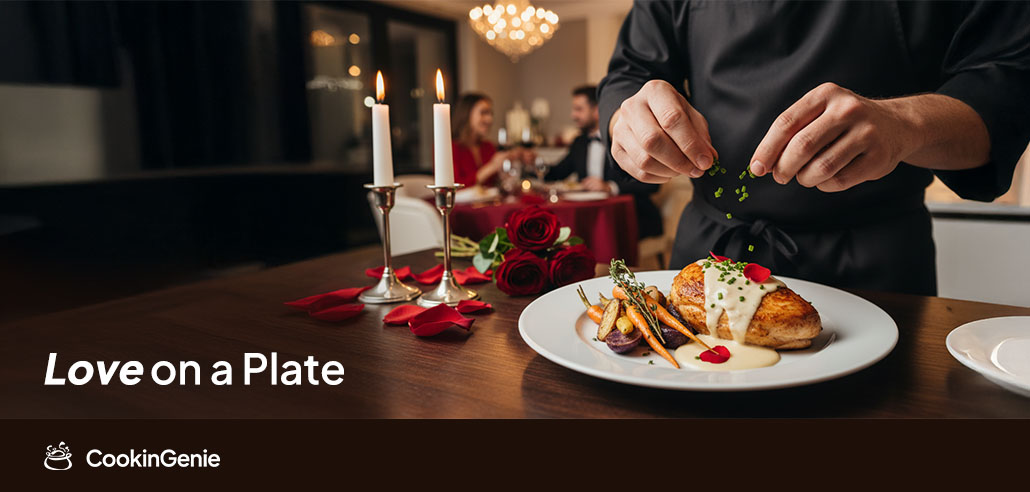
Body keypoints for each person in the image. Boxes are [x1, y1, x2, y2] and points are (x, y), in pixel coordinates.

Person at [599, 1, 1030, 295]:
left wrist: (903, 125)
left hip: (874, 267)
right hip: (711, 253)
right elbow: (632, 70)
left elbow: (1005, 87)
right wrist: (628, 119)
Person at [547, 85, 664, 239]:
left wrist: (610, 187)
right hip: (589, 218)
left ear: (596, 110)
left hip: (630, 217)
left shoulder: (626, 137)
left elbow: (652, 184)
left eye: (578, 109)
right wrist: (532, 163)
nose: (573, 115)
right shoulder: (580, 143)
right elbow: (557, 172)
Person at [451, 93, 534, 187]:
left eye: (491, 113)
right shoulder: (450, 148)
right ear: (466, 114)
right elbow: (455, 187)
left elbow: (499, 182)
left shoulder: (488, 147)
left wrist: (516, 158)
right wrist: (493, 166)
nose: (489, 119)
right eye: (483, 112)